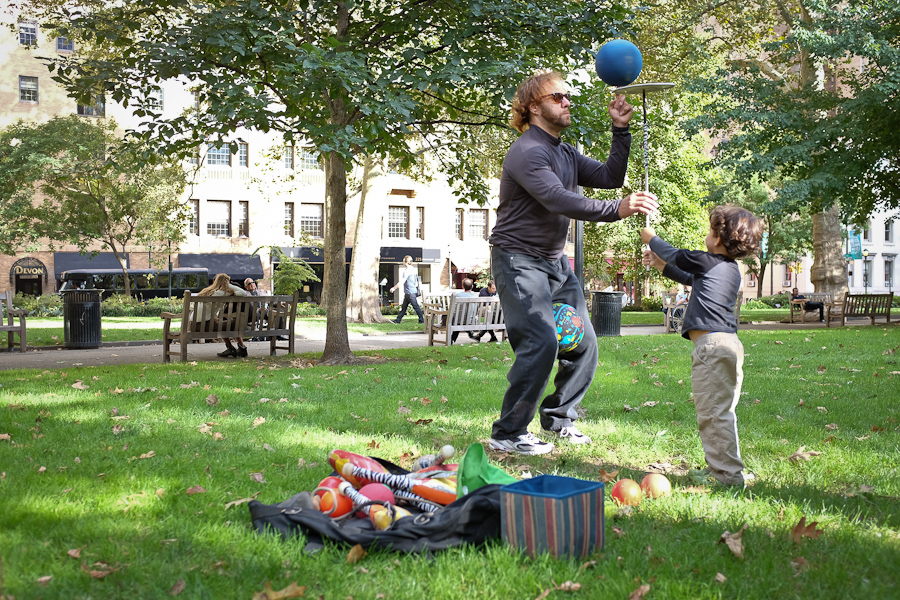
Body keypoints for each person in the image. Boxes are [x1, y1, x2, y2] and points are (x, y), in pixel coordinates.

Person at [487, 69, 658, 456]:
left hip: (554, 263)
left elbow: (610, 177)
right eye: (557, 97)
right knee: (541, 342)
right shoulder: (527, 152)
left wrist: (620, 130)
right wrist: (618, 210)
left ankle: (559, 417)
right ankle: (509, 432)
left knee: (583, 343)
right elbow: (558, 199)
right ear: (533, 106)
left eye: (568, 97)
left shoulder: (564, 151)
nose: (567, 102)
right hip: (519, 262)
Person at [640, 205, 764, 487]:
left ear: (719, 238)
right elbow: (689, 277)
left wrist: (651, 238)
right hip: (728, 345)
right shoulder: (729, 269)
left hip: (712, 347)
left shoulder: (708, 261)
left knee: (712, 413)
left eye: (710, 231)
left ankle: (727, 476)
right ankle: (721, 468)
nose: (707, 236)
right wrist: (659, 265)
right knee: (721, 411)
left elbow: (677, 256)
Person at [196, 273, 249, 358]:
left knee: (222, 323)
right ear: (227, 283)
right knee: (235, 322)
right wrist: (229, 284)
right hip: (206, 325)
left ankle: (231, 348)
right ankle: (242, 348)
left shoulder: (207, 291)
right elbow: (242, 292)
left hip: (195, 325)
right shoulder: (222, 293)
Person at [390, 255, 424, 324]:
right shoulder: (413, 269)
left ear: (405, 262)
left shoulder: (407, 271)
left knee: (416, 307)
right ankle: (397, 320)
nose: (402, 262)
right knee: (404, 307)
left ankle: (422, 320)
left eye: (403, 261)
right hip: (410, 291)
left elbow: (402, 281)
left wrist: (394, 288)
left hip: (410, 292)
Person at [450, 278, 479, 344]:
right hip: (471, 321)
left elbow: (452, 308)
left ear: (463, 287)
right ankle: (471, 334)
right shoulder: (475, 296)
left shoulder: (457, 295)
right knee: (466, 319)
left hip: (458, 321)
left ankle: (452, 339)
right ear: (472, 286)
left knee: (458, 320)